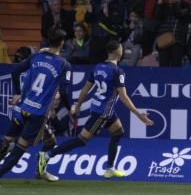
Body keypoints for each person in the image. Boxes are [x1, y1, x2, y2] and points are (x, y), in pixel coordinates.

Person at [38, 40, 154, 179]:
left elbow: (86, 88)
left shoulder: (98, 67)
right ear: (119, 51)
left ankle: (110, 168)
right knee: (81, 140)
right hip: (103, 113)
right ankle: (47, 155)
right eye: (121, 48)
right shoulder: (117, 71)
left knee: (118, 133)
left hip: (103, 109)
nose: (122, 50)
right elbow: (123, 96)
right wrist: (138, 114)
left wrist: (79, 105)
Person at [0, 27, 74, 186]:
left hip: (23, 108)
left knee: (48, 141)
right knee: (20, 148)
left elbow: (15, 72)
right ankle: (36, 171)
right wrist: (69, 108)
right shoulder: (63, 65)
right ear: (62, 43)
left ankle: (41, 171)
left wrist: (18, 93)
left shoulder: (36, 57)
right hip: (38, 114)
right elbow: (64, 92)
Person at [85, 0, 126, 64]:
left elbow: (120, 22)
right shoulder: (95, 1)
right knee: (94, 68)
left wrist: (108, 15)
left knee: (111, 69)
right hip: (96, 41)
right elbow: (87, 20)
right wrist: (89, 12)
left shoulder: (119, 3)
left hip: (111, 41)